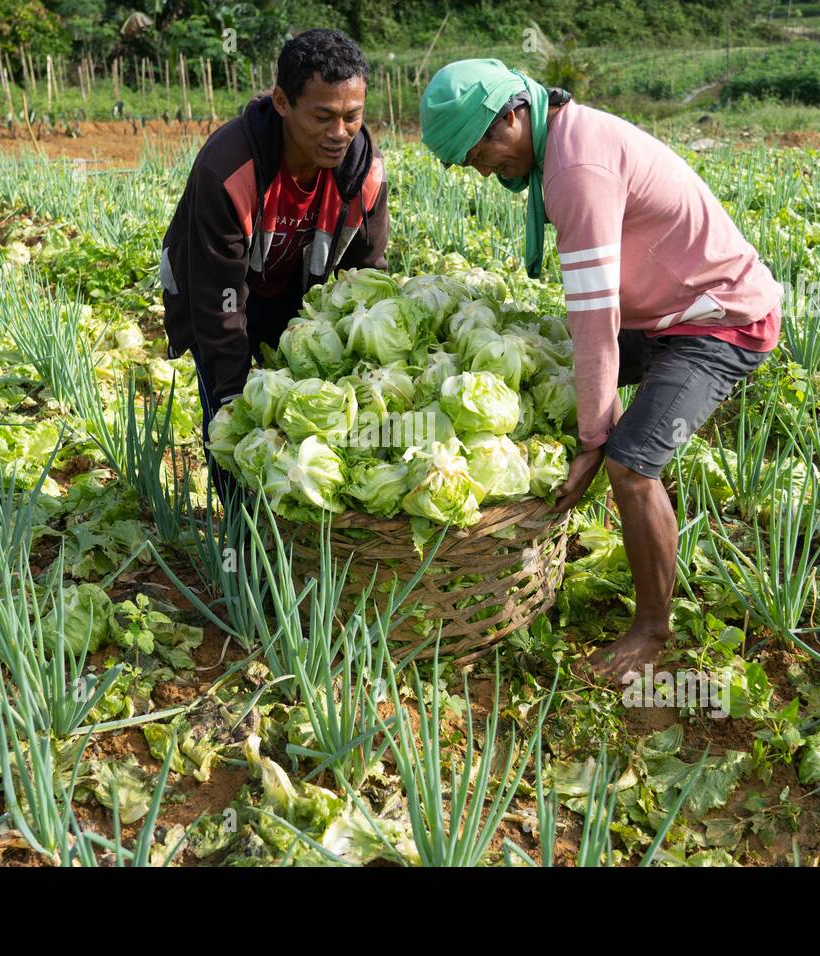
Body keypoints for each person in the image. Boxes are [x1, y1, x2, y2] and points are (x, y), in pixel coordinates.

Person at [420, 59, 782, 681]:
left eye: (479, 149)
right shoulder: (565, 138)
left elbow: (594, 318)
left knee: (630, 463)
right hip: (664, 312)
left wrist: (595, 440)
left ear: (513, 115)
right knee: (556, 380)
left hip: (717, 321)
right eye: (467, 161)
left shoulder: (576, 169)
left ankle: (651, 630)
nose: (480, 167)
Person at [159, 28, 389, 501]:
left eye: (352, 117)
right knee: (235, 421)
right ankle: (243, 545)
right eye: (322, 116)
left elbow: (368, 275)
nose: (339, 133)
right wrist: (234, 397)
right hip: (221, 296)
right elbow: (218, 303)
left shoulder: (363, 172)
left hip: (296, 297)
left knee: (309, 417)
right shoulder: (226, 170)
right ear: (282, 102)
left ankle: (302, 543)